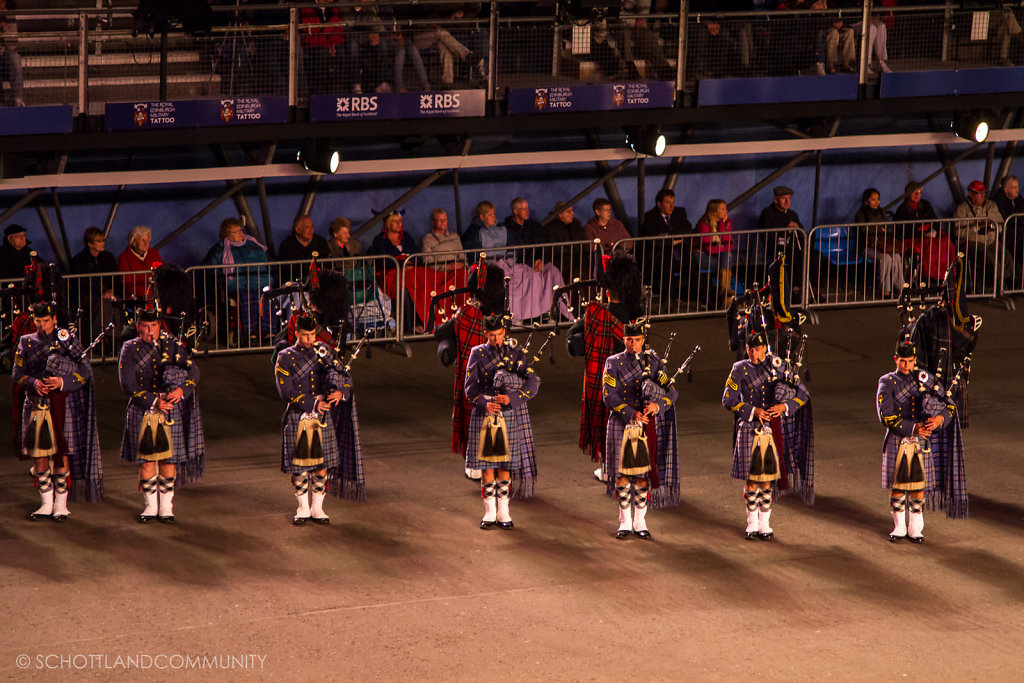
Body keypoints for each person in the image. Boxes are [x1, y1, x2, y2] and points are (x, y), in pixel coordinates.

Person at [12, 301, 103, 520]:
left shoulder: (67, 339)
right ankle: (45, 504)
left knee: (61, 456)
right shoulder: (26, 341)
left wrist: (62, 382)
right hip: (36, 405)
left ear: (54, 319)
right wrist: (34, 383)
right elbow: (17, 373)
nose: (42, 325)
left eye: (46, 321)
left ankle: (61, 505)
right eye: (38, 321)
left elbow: (85, 370)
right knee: (40, 456)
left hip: (62, 405)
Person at [722, 327, 814, 540]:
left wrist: (785, 407)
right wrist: (753, 411)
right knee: (752, 479)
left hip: (774, 430)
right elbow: (728, 399)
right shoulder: (739, 369)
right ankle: (751, 523)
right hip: (749, 428)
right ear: (746, 349)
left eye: (758, 349)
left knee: (768, 479)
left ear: (765, 348)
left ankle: (765, 523)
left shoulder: (777, 366)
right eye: (750, 349)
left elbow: (803, 393)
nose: (754, 354)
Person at [118, 299, 204, 524]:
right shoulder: (130, 349)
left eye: (153, 326)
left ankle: (166, 507)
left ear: (159, 325)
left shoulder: (173, 344)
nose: (150, 331)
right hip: (144, 408)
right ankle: (150, 506)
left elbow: (193, 372)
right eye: (145, 327)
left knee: (168, 461)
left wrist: (181, 391)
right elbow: (127, 384)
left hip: (170, 411)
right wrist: (154, 401)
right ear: (139, 327)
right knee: (147, 462)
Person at [877, 338, 968, 543]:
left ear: (914, 359)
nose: (906, 365)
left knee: (919, 486)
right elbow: (886, 416)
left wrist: (939, 419)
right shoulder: (887, 382)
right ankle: (899, 526)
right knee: (898, 485)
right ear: (895, 359)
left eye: (909, 361)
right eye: (902, 361)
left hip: (921, 441)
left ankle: (915, 526)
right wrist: (913, 427)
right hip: (899, 439)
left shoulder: (924, 378)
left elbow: (949, 404)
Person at [567, 253, 644, 481]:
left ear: (608, 289)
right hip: (632, 378)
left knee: (606, 422)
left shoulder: (596, 314)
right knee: (628, 419)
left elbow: (573, 344)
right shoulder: (635, 315)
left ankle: (608, 467)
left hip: (605, 378)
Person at [602, 318, 678, 539]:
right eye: (628, 339)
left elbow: (672, 392)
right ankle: (624, 521)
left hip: (646, 423)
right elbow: (608, 395)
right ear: (623, 339)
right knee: (622, 474)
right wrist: (630, 413)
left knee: (643, 475)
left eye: (636, 339)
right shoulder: (613, 363)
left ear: (643, 340)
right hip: (621, 421)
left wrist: (658, 405)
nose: (631, 343)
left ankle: (640, 521)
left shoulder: (654, 363)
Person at [463, 312, 540, 529]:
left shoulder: (516, 353)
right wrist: (484, 404)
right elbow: (470, 387)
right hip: (486, 412)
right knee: (487, 466)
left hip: (508, 413)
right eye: (491, 335)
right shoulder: (476, 353)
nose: (495, 339)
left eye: (498, 334)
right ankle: (489, 512)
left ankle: (504, 511)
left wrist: (513, 398)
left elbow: (533, 382)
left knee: (505, 465)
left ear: (504, 332)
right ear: (485, 334)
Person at [274, 314, 352, 525]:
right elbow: (285, 390)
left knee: (321, 464)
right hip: (298, 414)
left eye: (312, 335)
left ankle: (318, 508)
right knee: (299, 466)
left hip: (322, 417)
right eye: (305, 335)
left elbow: (344, 375)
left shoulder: (323, 352)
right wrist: (312, 403)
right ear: (297, 333)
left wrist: (340, 392)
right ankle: (303, 507)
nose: (310, 340)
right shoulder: (285, 356)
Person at [203, 217, 271, 343]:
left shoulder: (254, 246)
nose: (240, 233)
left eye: (240, 230)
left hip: (258, 282)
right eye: (235, 231)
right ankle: (250, 332)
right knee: (246, 297)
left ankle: (266, 331)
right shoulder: (220, 250)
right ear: (227, 234)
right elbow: (211, 270)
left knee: (266, 298)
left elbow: (265, 264)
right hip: (236, 285)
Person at [952, 180, 1015, 292]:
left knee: (1006, 255)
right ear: (970, 194)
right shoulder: (962, 209)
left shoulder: (992, 205)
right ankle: (1000, 285)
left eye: (983, 193)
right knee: (988, 256)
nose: (982, 196)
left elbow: (1002, 225)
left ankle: (1011, 284)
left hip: (991, 241)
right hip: (972, 244)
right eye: (978, 193)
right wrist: (977, 227)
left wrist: (994, 227)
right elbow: (958, 232)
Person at [894, 181, 955, 284]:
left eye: (920, 192)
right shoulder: (902, 209)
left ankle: (947, 274)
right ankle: (931, 276)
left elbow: (934, 219)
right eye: (914, 192)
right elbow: (903, 230)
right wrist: (922, 233)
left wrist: (934, 230)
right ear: (908, 193)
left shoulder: (926, 205)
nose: (917, 195)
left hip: (929, 234)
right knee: (930, 244)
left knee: (946, 242)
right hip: (913, 238)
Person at [69, 226, 119, 348]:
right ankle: (101, 340)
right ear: (90, 243)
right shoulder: (79, 260)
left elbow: (116, 278)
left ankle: (114, 340)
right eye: (99, 241)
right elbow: (81, 283)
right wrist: (100, 294)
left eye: (103, 240)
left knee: (116, 306)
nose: (103, 243)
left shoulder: (108, 258)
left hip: (108, 295)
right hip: (87, 296)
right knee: (104, 304)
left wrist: (111, 290)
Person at [639, 189, 692, 299]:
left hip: (682, 252)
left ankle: (710, 303)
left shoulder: (679, 213)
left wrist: (668, 236)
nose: (671, 206)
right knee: (667, 262)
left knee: (694, 266)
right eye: (668, 203)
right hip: (660, 255)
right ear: (659, 204)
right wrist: (673, 241)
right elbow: (653, 239)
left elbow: (687, 229)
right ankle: (667, 301)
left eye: (673, 202)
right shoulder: (650, 216)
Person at [855, 188, 904, 298]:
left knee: (896, 256)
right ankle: (885, 290)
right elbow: (864, 230)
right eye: (873, 199)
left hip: (884, 244)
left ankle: (901, 288)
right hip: (868, 246)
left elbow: (889, 228)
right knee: (885, 258)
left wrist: (880, 229)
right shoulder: (861, 214)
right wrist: (879, 229)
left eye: (878, 199)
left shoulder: (882, 212)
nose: (876, 202)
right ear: (866, 201)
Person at [757, 186, 805, 296]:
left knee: (809, 256)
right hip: (775, 249)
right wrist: (785, 232)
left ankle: (801, 288)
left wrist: (797, 228)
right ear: (776, 200)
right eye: (784, 198)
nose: (787, 201)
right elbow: (766, 236)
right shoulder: (767, 214)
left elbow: (802, 234)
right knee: (792, 257)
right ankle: (793, 289)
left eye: (789, 198)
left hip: (793, 248)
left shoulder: (792, 214)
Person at [695, 199, 736, 307]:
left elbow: (730, 244)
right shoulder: (704, 224)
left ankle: (724, 290)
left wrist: (722, 224)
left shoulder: (727, 222)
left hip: (717, 256)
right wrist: (723, 248)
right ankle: (725, 292)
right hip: (701, 256)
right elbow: (709, 249)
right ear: (714, 211)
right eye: (722, 209)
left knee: (728, 256)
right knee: (726, 258)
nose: (726, 211)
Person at [991, 175, 1024, 285]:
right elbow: (1006, 221)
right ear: (1006, 189)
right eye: (1014, 187)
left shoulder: (1019, 199)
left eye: (1017, 187)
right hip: (1009, 237)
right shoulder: (998, 202)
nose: (1017, 190)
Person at [117, 225, 162, 302]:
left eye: (148, 240)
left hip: (156, 296)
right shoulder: (124, 257)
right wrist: (147, 294)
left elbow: (161, 275)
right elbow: (128, 283)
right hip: (135, 299)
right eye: (142, 240)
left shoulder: (154, 253)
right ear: (134, 242)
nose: (146, 243)